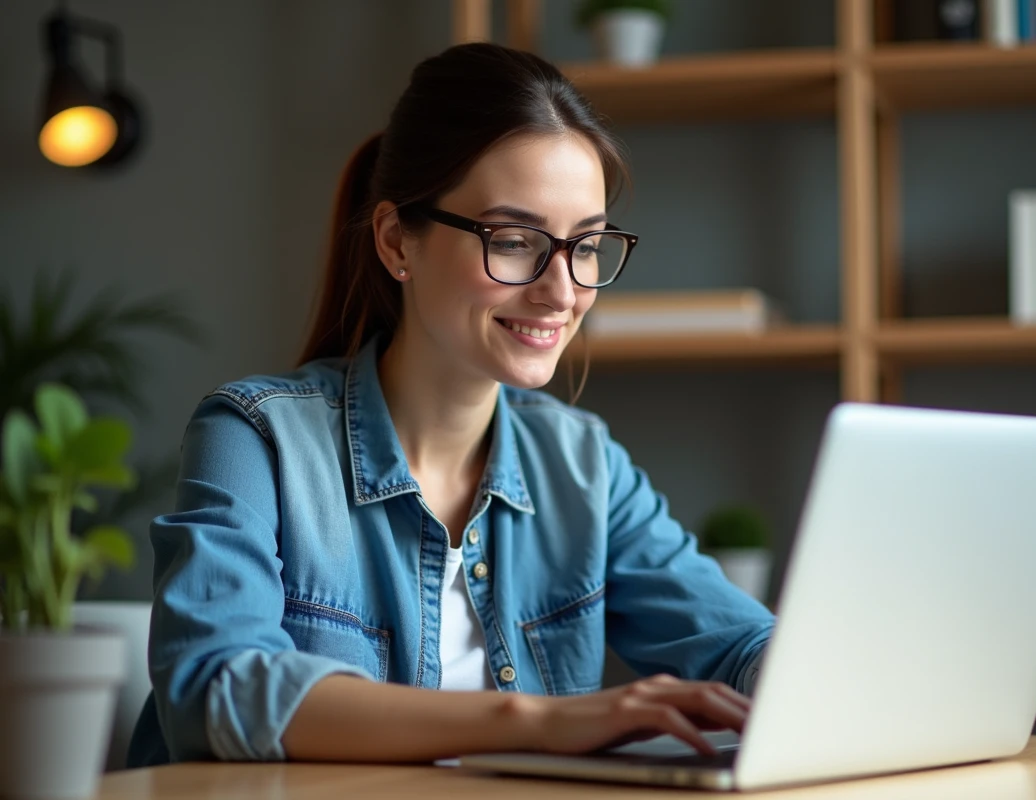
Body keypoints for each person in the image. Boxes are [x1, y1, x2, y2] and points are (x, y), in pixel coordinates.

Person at [128, 42, 774, 767]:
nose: (562, 291)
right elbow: (214, 688)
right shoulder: (255, 438)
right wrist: (532, 721)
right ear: (397, 240)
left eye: (586, 245)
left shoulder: (583, 466)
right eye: (515, 240)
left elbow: (744, 645)